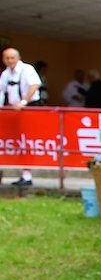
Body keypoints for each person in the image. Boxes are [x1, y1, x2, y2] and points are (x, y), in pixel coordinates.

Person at [0, 47, 42, 186]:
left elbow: (34, 85)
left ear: (18, 58)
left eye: (12, 57)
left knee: (27, 141)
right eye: (7, 58)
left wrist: (24, 102)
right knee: (14, 141)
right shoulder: (6, 74)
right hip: (13, 110)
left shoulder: (27, 69)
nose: (10, 60)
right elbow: (1, 91)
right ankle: (23, 174)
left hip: (29, 108)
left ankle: (27, 175)